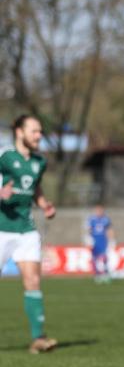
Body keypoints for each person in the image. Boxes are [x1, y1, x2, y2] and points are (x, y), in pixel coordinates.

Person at [0, 115, 57, 354]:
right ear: (19, 132)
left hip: (26, 229)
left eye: (40, 132)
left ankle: (38, 339)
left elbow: (35, 187)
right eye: (34, 131)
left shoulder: (38, 162)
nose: (39, 136)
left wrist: (44, 204)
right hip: (2, 228)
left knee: (33, 281)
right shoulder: (4, 156)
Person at [85, 204, 115, 283]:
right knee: (94, 258)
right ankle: (97, 274)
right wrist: (89, 238)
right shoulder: (91, 219)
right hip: (95, 241)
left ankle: (105, 273)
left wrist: (111, 240)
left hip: (103, 241)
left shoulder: (106, 219)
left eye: (100, 210)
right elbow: (89, 229)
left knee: (104, 257)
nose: (99, 212)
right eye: (97, 210)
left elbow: (109, 230)